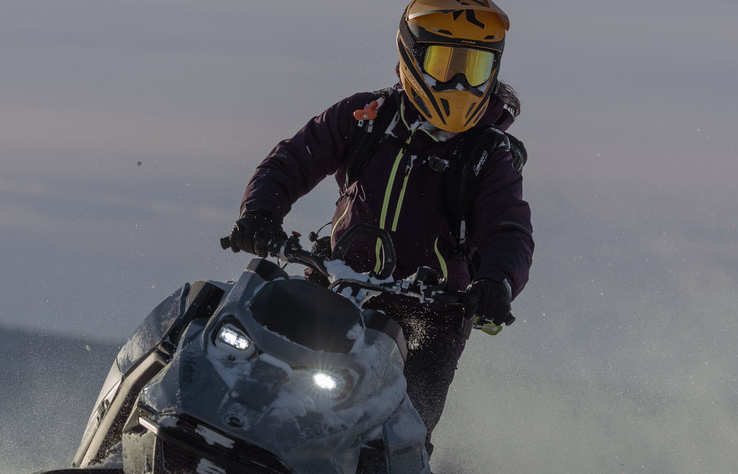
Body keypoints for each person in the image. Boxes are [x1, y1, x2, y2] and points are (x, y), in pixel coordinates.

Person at [223, 0, 533, 452]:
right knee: (249, 374)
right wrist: (260, 214)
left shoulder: (490, 155)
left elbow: (508, 227)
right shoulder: (367, 116)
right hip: (335, 290)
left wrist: (496, 283)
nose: (459, 83)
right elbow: (293, 159)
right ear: (412, 56)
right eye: (445, 65)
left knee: (399, 439)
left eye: (474, 68)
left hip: (430, 321)